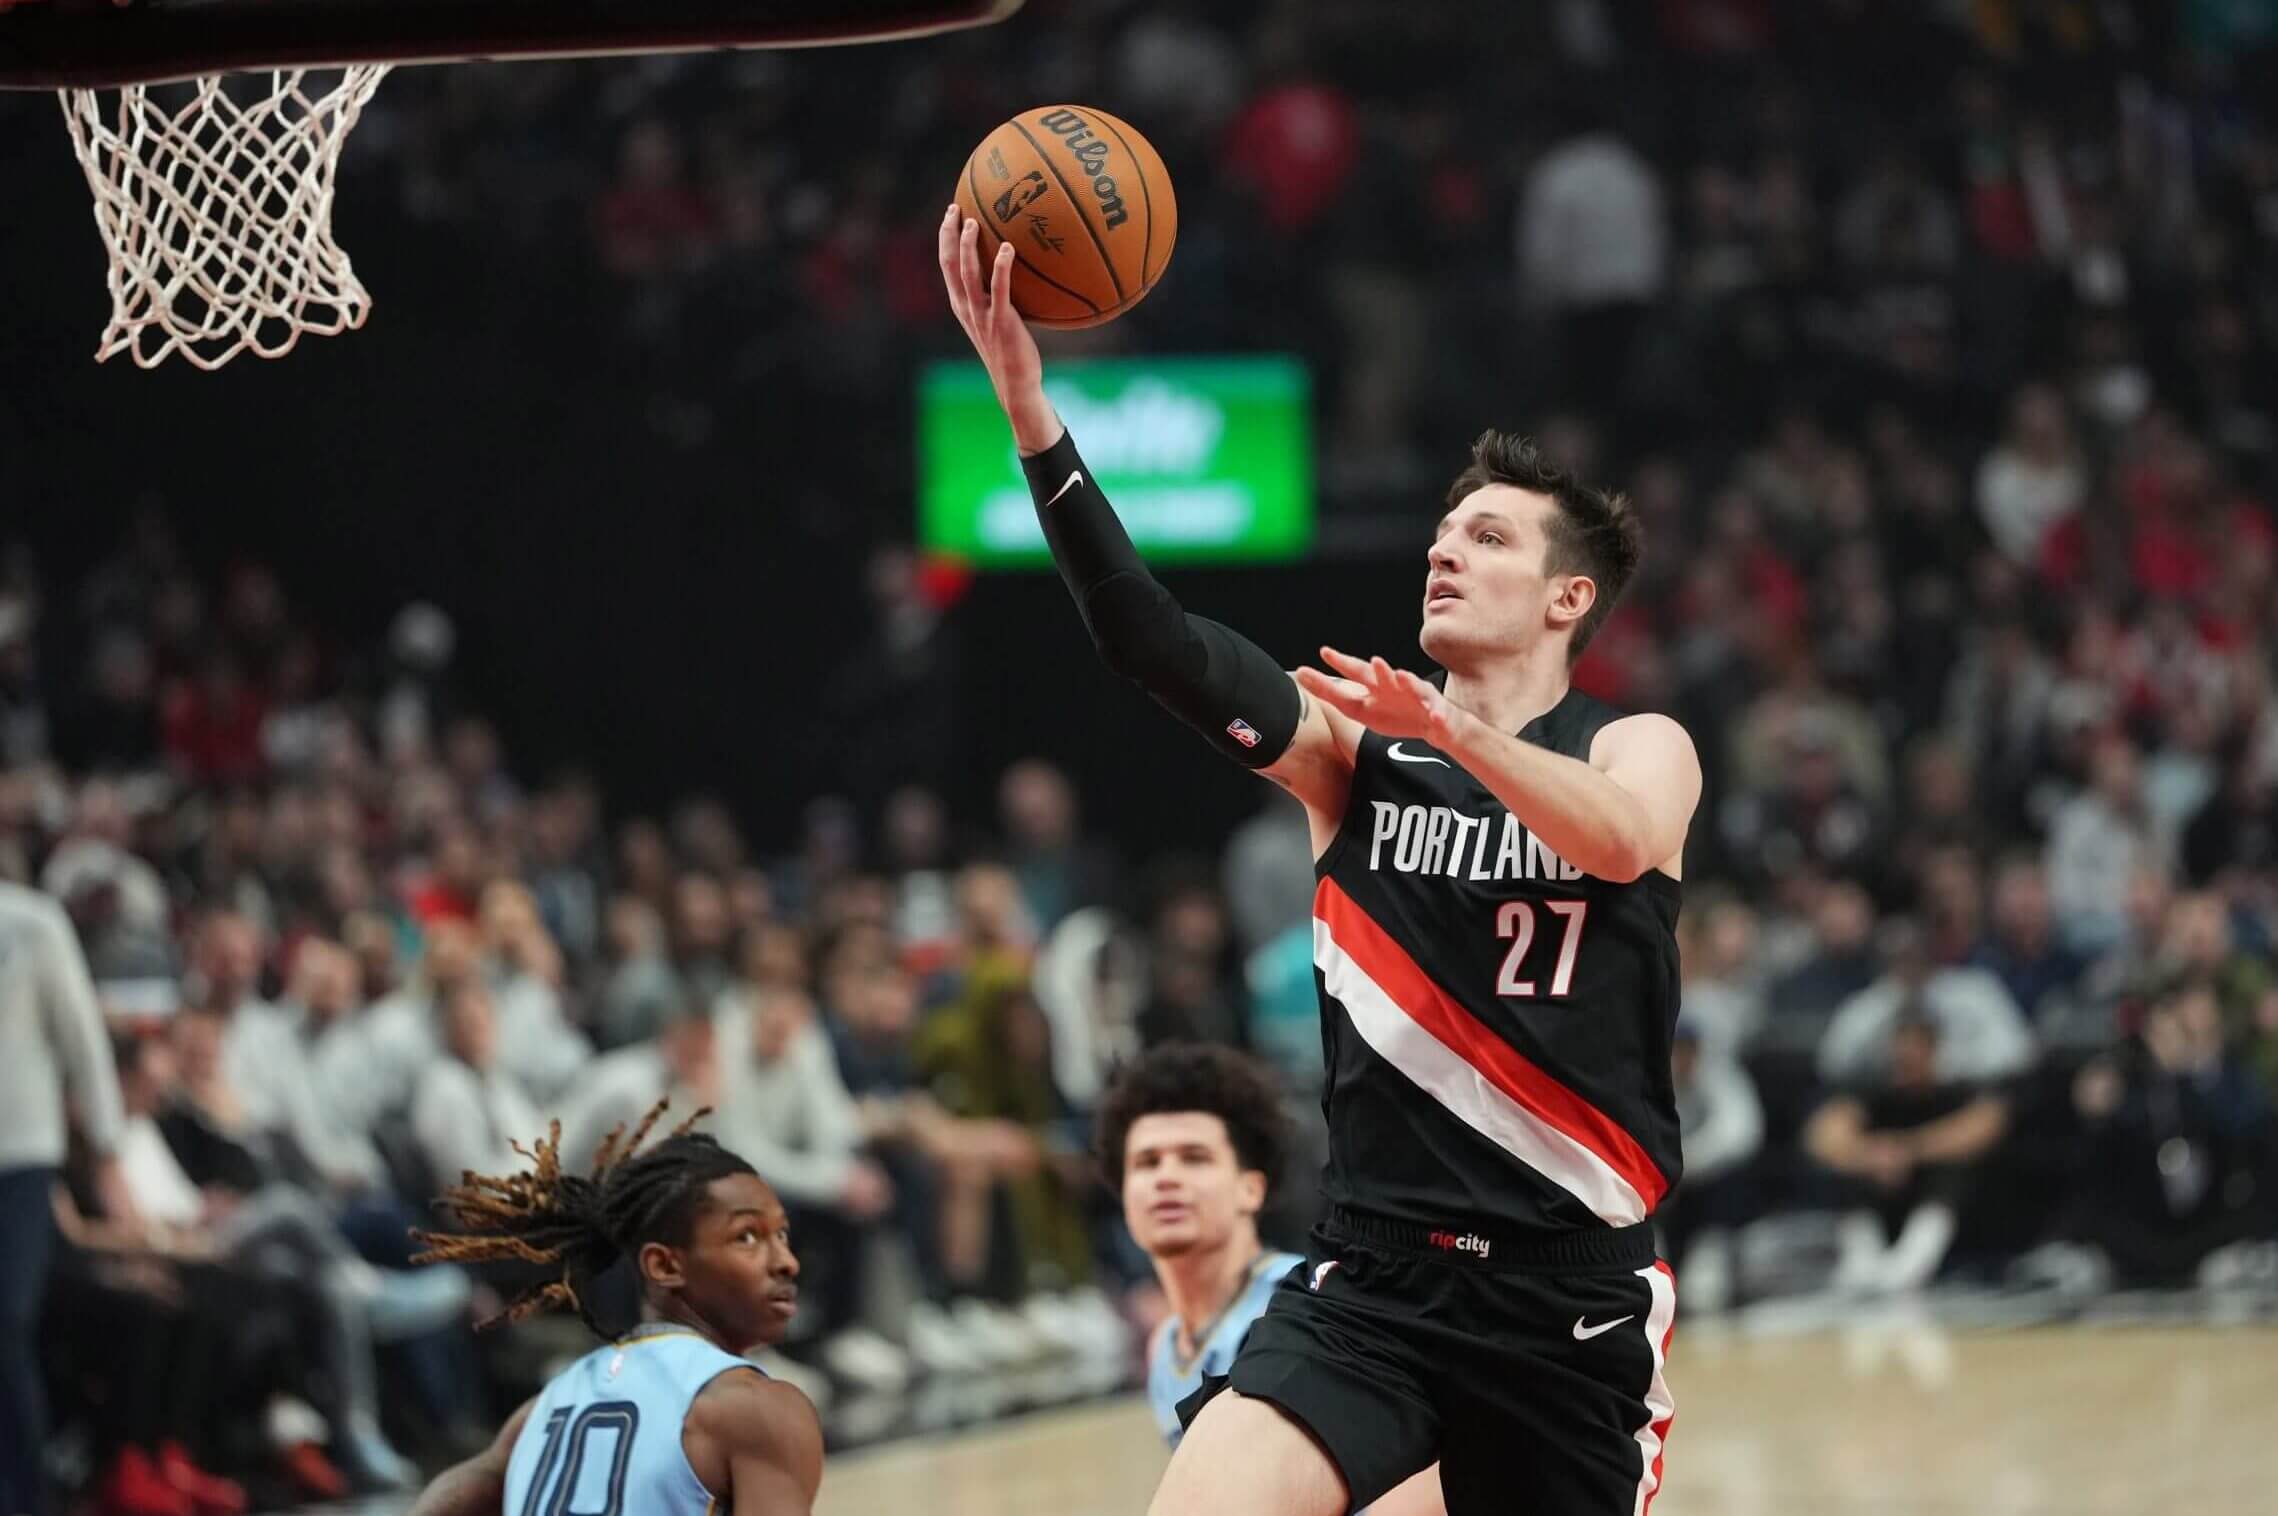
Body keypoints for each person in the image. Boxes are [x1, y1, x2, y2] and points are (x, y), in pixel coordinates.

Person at [942, 206, 1699, 1516]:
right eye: (1443, 532)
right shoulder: (1355, 752)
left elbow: (1621, 840)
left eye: (1487, 538)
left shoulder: (1634, 744)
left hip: (1566, 1301)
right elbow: (1154, 642)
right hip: (1372, 1285)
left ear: (1567, 598)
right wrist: (1028, 412)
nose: (1443, 548)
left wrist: (1456, 734)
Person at [402, 1104, 821, 1516]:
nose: (787, 1261)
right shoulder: (756, 1410)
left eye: (782, 1234)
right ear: (664, 1266)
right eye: (747, 1236)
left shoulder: (541, 1413)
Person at [1098, 1044, 1443, 1514]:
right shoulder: (1164, 1348)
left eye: (1194, 1158)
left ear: (1251, 1188)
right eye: (1147, 1162)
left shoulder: (1315, 1308)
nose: (1166, 1178)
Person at [2, 880, 138, 1516]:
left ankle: (27, 1497)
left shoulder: (31, 923)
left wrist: (108, 1150)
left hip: (19, 1157)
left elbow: (83, 1036)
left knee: (8, 1324)